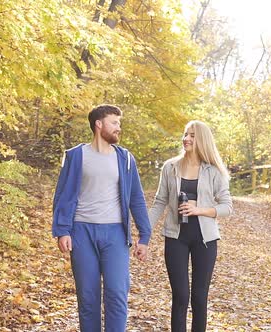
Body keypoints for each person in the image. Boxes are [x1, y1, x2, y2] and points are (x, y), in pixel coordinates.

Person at [52, 104, 151, 332]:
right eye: (114, 122)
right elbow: (62, 195)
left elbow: (136, 198)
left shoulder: (125, 158)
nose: (118, 128)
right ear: (99, 124)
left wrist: (144, 236)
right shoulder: (75, 156)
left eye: (119, 123)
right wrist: (62, 230)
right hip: (82, 233)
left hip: (115, 234)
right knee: (88, 297)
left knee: (117, 293)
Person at [148, 120, 232, 332]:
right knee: (181, 295)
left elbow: (226, 207)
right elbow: (160, 202)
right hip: (176, 237)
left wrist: (199, 209)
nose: (186, 138)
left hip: (205, 239)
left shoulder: (214, 171)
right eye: (186, 134)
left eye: (192, 135)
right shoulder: (170, 167)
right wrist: (144, 233)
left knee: (199, 296)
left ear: (202, 139)